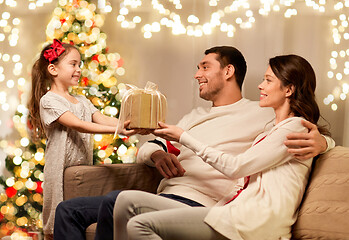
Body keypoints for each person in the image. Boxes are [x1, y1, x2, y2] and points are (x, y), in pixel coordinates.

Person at [53, 46, 334, 240]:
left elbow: (296, 130)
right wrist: (156, 155)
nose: (197, 74)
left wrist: (324, 142)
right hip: (166, 194)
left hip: (201, 200)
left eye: (204, 67)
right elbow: (151, 144)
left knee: (117, 201)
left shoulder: (260, 113)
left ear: (228, 72)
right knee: (69, 210)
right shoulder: (193, 116)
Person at [27, 39, 137, 238]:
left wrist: (127, 123)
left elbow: (101, 118)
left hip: (81, 170)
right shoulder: (49, 100)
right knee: (58, 216)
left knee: (79, 212)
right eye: (73, 64)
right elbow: (77, 124)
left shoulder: (82, 101)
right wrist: (117, 130)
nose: (78, 69)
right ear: (53, 69)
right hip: (59, 170)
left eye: (80, 65)